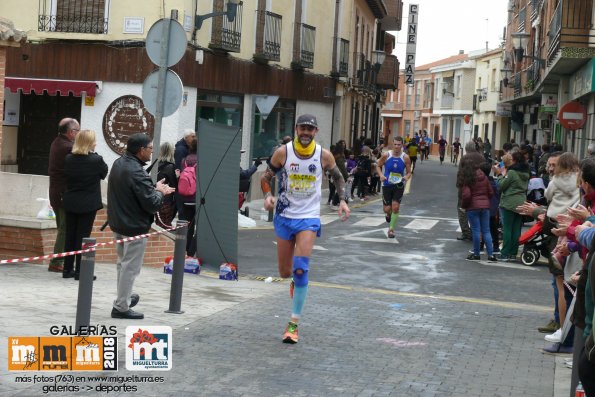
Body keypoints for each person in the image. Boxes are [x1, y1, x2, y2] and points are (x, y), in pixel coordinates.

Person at [260, 114, 350, 344]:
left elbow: (339, 178)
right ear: (296, 128)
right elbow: (266, 176)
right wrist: (267, 195)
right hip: (284, 216)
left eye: (310, 129)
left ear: (316, 131)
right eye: (303, 128)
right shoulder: (284, 152)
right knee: (284, 271)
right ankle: (294, 282)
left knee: (301, 268)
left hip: (308, 217)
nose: (306, 132)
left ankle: (293, 325)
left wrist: (343, 200)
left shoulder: (323, 155)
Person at [108, 133, 175, 319]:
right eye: (150, 148)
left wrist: (153, 189)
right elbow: (152, 204)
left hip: (119, 223)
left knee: (122, 264)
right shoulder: (136, 171)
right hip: (134, 226)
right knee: (130, 267)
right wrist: (160, 192)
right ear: (140, 150)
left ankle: (124, 297)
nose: (152, 151)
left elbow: (134, 192)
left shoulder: (119, 163)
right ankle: (121, 306)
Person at [62, 130, 108, 279]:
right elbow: (103, 173)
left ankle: (67, 269)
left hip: (70, 202)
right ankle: (80, 271)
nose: (95, 143)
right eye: (93, 141)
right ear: (89, 143)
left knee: (70, 236)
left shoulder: (69, 158)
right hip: (87, 204)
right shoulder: (96, 160)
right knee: (83, 237)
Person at [48, 118, 80, 273]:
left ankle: (60, 259)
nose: (79, 134)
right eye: (78, 131)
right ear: (71, 132)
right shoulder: (68, 147)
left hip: (56, 192)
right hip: (63, 194)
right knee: (65, 228)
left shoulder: (56, 142)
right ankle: (57, 261)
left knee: (62, 227)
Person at [492, 151, 531, 262]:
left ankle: (505, 253)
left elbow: (501, 185)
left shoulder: (512, 172)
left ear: (515, 161)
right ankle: (513, 253)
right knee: (516, 229)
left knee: (507, 229)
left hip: (509, 202)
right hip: (521, 202)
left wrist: (499, 174)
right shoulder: (526, 173)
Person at [458, 157, 496, 261]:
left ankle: (476, 254)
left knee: (476, 230)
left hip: (473, 207)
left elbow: (466, 195)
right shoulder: (483, 175)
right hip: (485, 207)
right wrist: (486, 201)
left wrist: (464, 206)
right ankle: (491, 254)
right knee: (486, 231)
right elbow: (491, 192)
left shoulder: (468, 178)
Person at [376, 136, 412, 239]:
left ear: (402, 145)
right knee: (387, 209)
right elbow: (378, 165)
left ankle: (391, 229)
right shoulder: (386, 155)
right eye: (395, 144)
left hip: (398, 185)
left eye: (399, 145)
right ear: (392, 144)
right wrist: (381, 175)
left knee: (395, 207)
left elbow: (409, 172)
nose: (396, 147)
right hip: (387, 184)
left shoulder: (405, 157)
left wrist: (406, 177)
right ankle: (388, 215)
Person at [155, 142, 178, 228]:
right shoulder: (171, 167)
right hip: (167, 201)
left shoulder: (157, 165)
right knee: (165, 226)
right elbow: (174, 185)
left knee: (158, 225)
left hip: (157, 198)